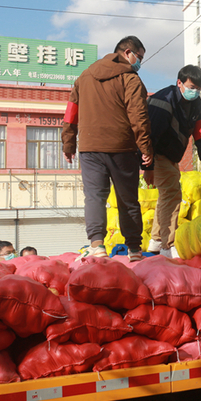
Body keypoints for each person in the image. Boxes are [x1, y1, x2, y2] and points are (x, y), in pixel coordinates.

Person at [62, 36, 153, 262]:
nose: (139, 62)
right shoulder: (130, 78)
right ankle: (134, 249)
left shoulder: (84, 76)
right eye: (139, 57)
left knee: (94, 196)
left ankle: (97, 246)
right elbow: (138, 116)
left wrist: (69, 142)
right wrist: (146, 147)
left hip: (90, 148)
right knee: (127, 199)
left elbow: (70, 111)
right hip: (121, 147)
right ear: (127, 52)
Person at [143, 65, 201, 256]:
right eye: (191, 87)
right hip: (156, 153)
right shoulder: (163, 100)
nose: (195, 92)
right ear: (179, 83)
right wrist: (147, 166)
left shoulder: (196, 104)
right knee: (172, 194)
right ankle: (168, 244)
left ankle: (157, 240)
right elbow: (149, 137)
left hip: (171, 156)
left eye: (198, 88)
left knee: (167, 195)